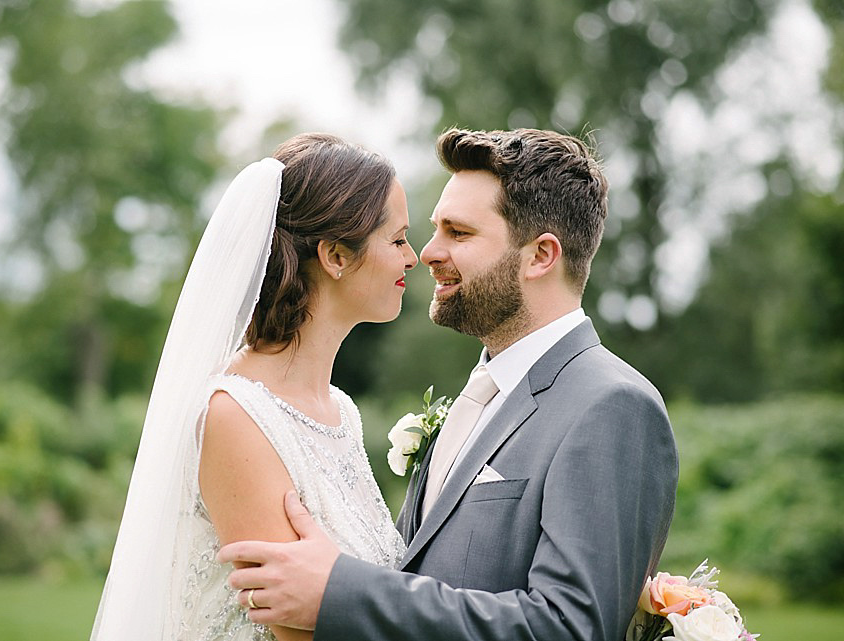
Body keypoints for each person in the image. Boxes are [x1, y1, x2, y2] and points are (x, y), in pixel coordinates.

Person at [217, 128, 680, 641]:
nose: (426, 252)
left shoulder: (612, 406)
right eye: (433, 229)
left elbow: (569, 628)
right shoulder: (481, 395)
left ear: (540, 256)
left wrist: (340, 592)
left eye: (458, 233)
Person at [91, 133, 416, 641]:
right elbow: (297, 632)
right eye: (397, 239)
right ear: (335, 255)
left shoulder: (342, 413)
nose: (412, 257)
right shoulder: (237, 416)